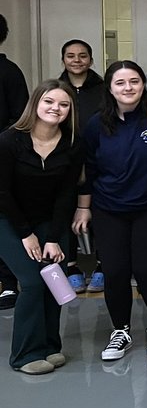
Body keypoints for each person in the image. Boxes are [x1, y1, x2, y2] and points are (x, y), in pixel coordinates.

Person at [76, 60, 147, 361]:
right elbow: (88, 169)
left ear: (143, 84)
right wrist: (83, 208)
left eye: (134, 82)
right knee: (114, 271)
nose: (128, 88)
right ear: (110, 88)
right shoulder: (96, 124)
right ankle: (121, 331)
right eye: (120, 83)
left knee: (146, 268)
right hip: (108, 207)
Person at [0, 81, 84, 374]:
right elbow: (3, 192)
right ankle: (24, 355)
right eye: (49, 102)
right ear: (36, 103)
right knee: (33, 282)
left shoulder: (72, 143)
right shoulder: (9, 140)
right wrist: (26, 234)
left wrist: (52, 238)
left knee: (53, 280)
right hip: (8, 219)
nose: (55, 109)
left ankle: (50, 346)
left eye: (63, 105)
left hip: (50, 219)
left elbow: (66, 193)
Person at [57, 39, 105, 293]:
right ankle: (71, 265)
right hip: (63, 160)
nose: (77, 60)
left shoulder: (103, 88)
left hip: (98, 158)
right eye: (71, 56)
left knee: (100, 209)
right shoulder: (55, 89)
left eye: (82, 55)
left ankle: (102, 265)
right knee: (65, 209)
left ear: (91, 59)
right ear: (63, 59)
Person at [0, 13, 30, 311]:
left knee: (3, 221)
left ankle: (7, 283)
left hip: (2, 159)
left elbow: (18, 119)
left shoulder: (9, 71)